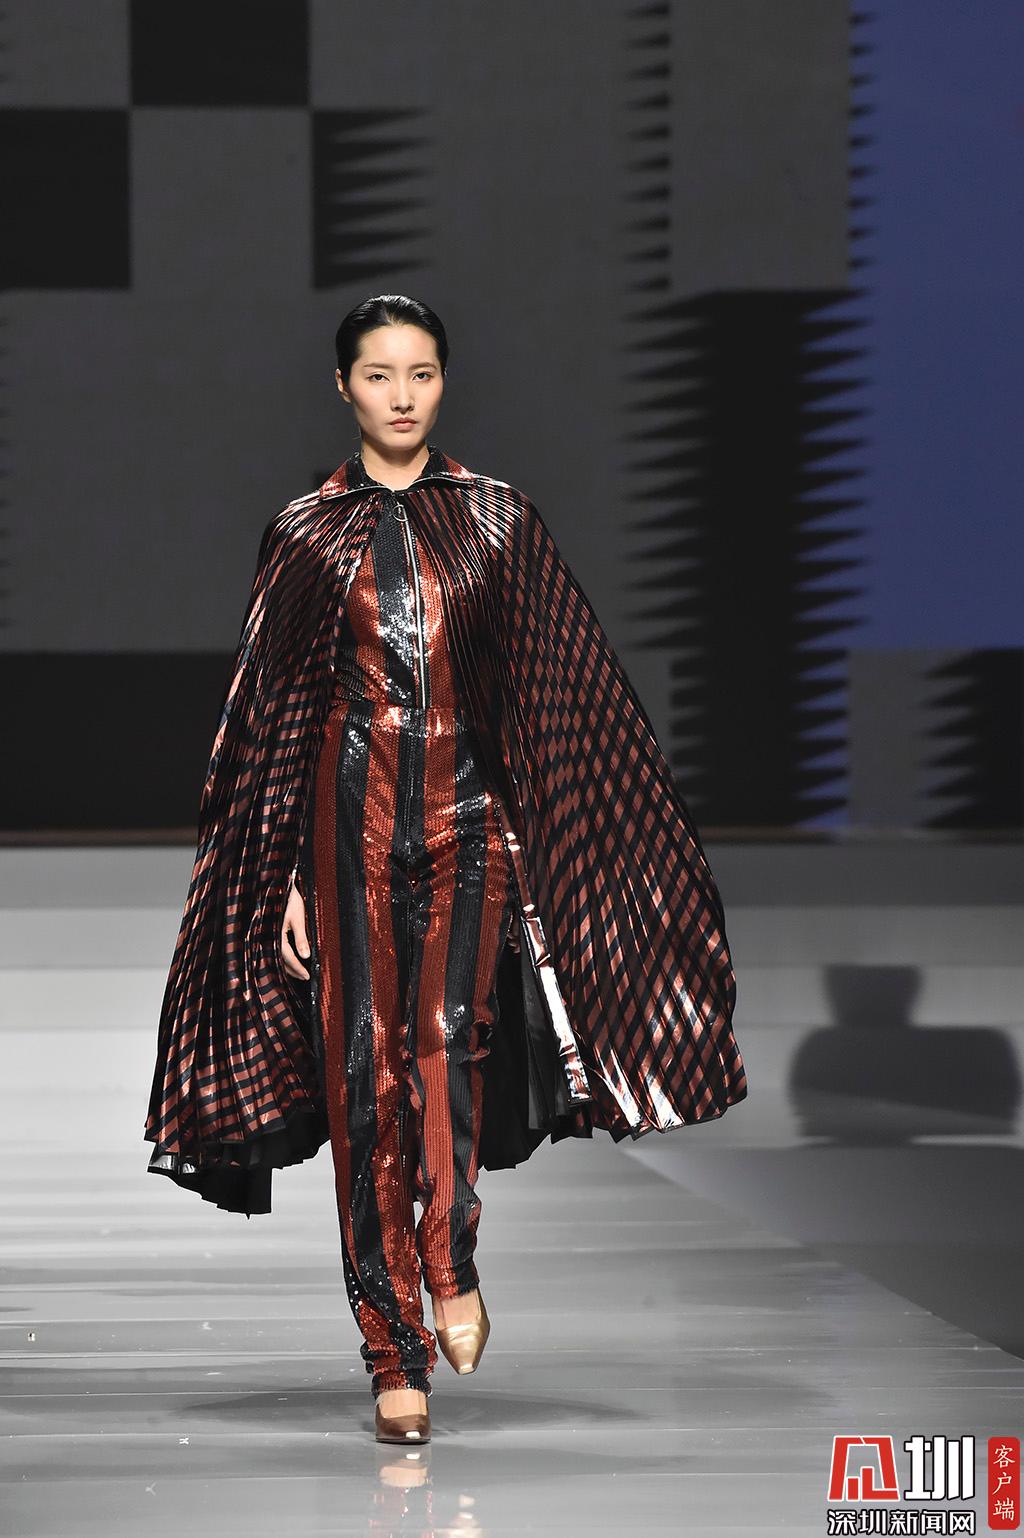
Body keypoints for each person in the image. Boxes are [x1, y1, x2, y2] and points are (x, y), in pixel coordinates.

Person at [144, 293, 747, 1447]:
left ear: (443, 380)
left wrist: (555, 849)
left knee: (448, 1043)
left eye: (420, 372)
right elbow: (272, 719)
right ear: (343, 387)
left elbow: (557, 697)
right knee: (363, 1081)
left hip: (470, 820)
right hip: (344, 828)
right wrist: (283, 879)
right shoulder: (304, 533)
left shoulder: (498, 523)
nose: (402, 394)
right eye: (379, 374)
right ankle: (392, 1352)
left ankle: (449, 1257)